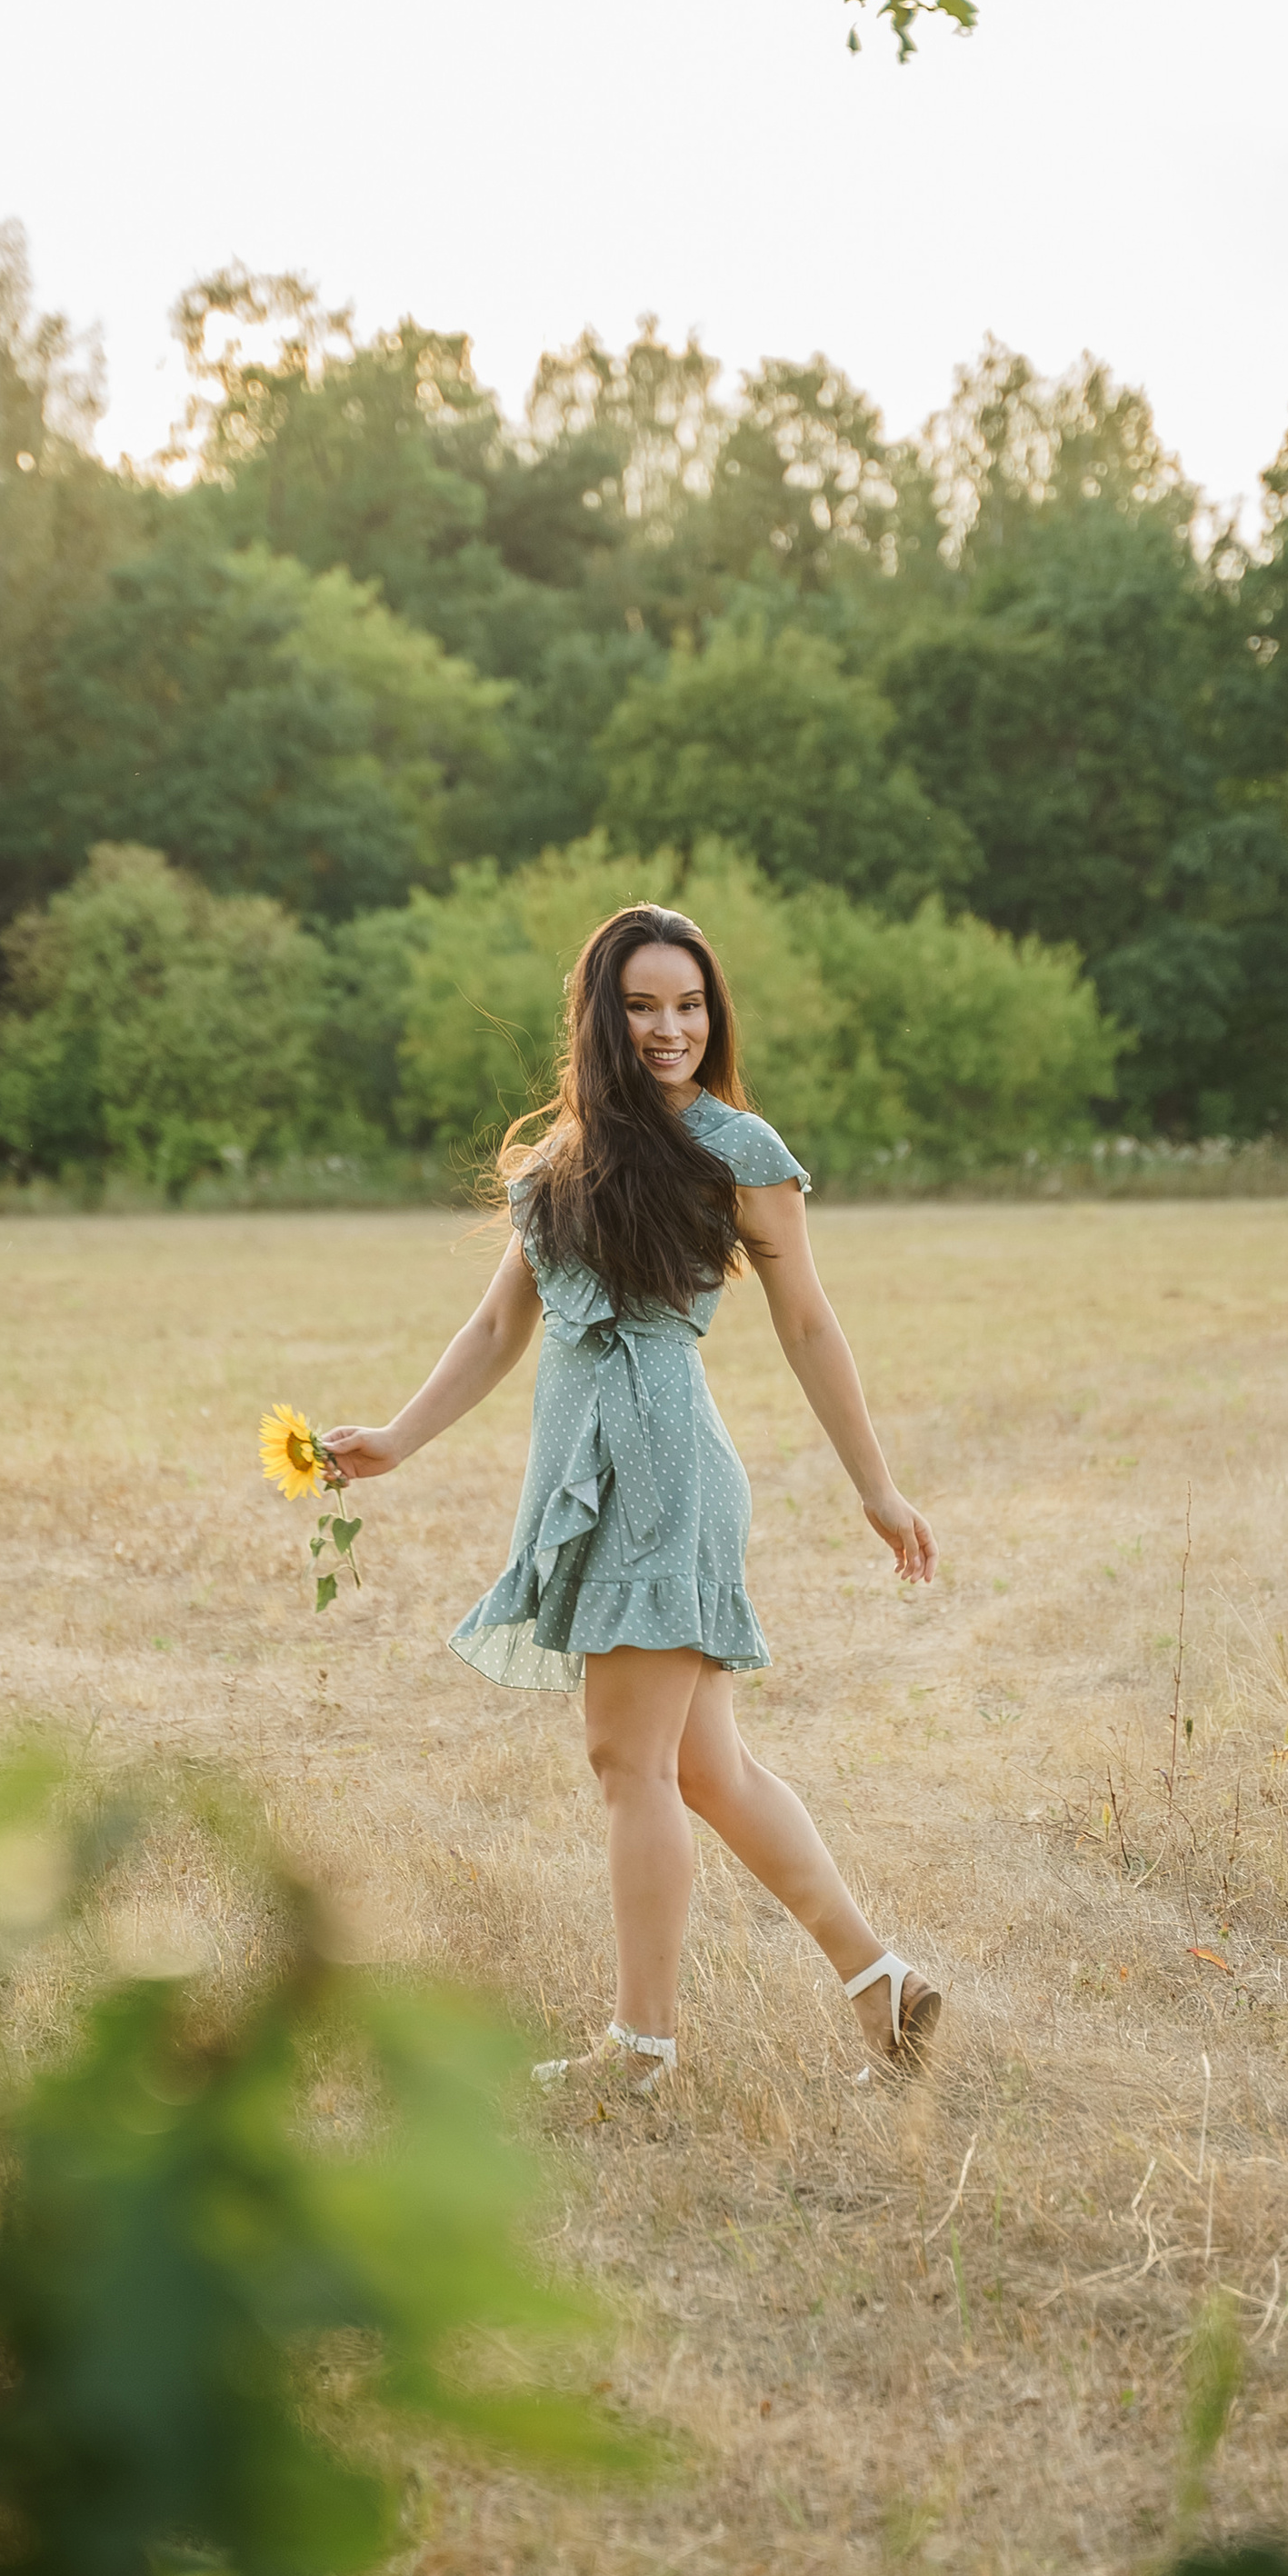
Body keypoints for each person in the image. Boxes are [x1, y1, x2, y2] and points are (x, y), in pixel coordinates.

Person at [324, 900, 943, 2102]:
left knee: (626, 1761)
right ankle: (885, 1993)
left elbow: (807, 1320)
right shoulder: (557, 1164)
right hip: (589, 1462)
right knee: (704, 1771)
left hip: (661, 1466)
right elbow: (504, 1321)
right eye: (646, 1006)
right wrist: (398, 1439)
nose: (673, 1028)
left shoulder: (737, 1147)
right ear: (601, 1016)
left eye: (692, 1005)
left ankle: (641, 2053)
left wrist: (877, 1484)